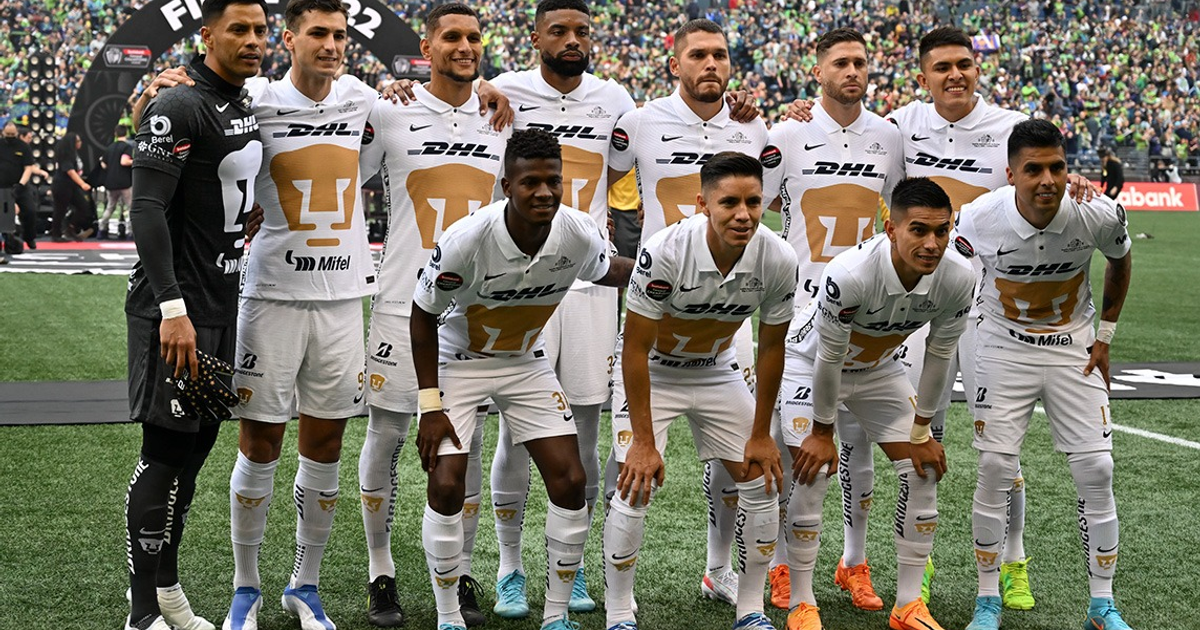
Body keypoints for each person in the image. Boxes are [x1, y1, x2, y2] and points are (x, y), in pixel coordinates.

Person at [410, 128, 633, 630]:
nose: (544, 192)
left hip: (524, 361)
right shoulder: (467, 239)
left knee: (571, 479)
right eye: (531, 182)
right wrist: (430, 405)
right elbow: (422, 315)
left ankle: (556, 616)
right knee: (446, 483)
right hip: (459, 360)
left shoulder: (577, 232)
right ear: (507, 185)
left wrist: (664, 265)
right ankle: (449, 617)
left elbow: (608, 271)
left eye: (554, 181)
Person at [214, 2, 380, 630]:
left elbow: (442, 100)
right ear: (289, 39)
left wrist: (492, 91)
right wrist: (160, 85)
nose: (332, 45)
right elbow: (195, 109)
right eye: (318, 33)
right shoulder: (254, 98)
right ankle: (246, 588)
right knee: (260, 442)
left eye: (340, 35)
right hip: (270, 296)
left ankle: (304, 585)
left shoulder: (364, 98)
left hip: (342, 299)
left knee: (326, 444)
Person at [356, 3, 512, 626]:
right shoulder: (388, 109)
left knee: (467, 444)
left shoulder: (501, 117)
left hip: (472, 311)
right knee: (388, 435)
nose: (465, 46)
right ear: (426, 47)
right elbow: (342, 175)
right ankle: (381, 571)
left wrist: (490, 90)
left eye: (474, 37)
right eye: (451, 37)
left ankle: (462, 568)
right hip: (401, 303)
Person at [607, 18, 769, 606]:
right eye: (698, 55)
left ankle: (719, 568)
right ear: (674, 64)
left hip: (727, 314)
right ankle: (614, 586)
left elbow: (767, 200)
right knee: (628, 456)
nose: (711, 65)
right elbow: (602, 182)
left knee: (734, 458)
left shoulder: (754, 127)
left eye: (720, 55)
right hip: (657, 303)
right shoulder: (638, 122)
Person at [484, 0, 636, 615]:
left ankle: (568, 567)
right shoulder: (504, 91)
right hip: (522, 277)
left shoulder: (615, 99)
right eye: (559, 31)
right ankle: (510, 567)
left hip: (591, 282)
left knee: (585, 431)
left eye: (581, 32)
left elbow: (633, 164)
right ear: (535, 36)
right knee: (516, 430)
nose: (572, 40)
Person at [604, 151, 796, 630]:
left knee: (762, 478)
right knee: (634, 483)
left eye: (753, 202)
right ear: (702, 204)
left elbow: (772, 348)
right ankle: (619, 611)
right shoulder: (665, 251)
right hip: (654, 370)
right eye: (729, 202)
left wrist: (761, 433)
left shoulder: (778, 256)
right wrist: (643, 442)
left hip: (716, 370)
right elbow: (635, 348)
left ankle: (750, 609)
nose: (743, 214)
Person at [121, 1, 268, 630]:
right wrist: (172, 308)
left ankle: (168, 592)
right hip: (176, 309)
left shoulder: (241, 101)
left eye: (260, 30)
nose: (253, 40)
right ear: (207, 35)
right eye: (239, 29)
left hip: (221, 300)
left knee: (195, 452)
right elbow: (146, 208)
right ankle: (141, 614)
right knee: (164, 453)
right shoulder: (179, 103)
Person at [955, 119, 1133, 630]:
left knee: (1097, 469)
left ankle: (1102, 605)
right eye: (1033, 170)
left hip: (1072, 347)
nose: (1048, 180)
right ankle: (987, 599)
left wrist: (1106, 336)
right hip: (1001, 346)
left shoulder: (1096, 211)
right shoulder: (979, 217)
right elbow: (950, 270)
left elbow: (1121, 258)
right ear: (1010, 174)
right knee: (995, 466)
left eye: (1057, 167)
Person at [782, 177, 974, 630]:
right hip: (809, 365)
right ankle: (802, 603)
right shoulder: (850, 273)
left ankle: (908, 605)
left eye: (942, 231)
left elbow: (940, 355)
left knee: (923, 469)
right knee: (813, 471)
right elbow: (828, 357)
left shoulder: (959, 276)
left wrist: (922, 432)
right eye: (918, 230)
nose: (932, 244)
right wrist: (822, 432)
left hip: (878, 368)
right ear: (891, 229)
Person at [758, 26, 906, 614]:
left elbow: (902, 211)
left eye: (861, 63)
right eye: (841, 63)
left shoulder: (888, 136)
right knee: (794, 452)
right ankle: (781, 568)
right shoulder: (787, 133)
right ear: (817, 71)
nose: (853, 72)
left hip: (868, 313)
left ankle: (853, 563)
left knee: (859, 446)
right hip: (800, 315)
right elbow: (757, 203)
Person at [0, 121, 35, 259]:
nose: (10, 137)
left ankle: (29, 237)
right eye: (7, 134)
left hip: (20, 186)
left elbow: (28, 168)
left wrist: (20, 185)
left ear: (17, 134)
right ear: (3, 133)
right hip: (2, 187)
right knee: (3, 216)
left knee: (30, 211)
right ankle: (6, 239)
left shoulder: (23, 147)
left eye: (12, 134)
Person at [50, 132, 94, 241]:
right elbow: (70, 171)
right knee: (60, 210)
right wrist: (82, 184)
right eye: (78, 141)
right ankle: (56, 234)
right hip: (62, 185)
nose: (80, 143)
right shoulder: (66, 154)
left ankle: (71, 227)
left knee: (84, 206)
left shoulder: (74, 154)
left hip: (71, 185)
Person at [99, 125, 134, 239]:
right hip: (124, 183)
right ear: (126, 133)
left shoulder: (110, 148)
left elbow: (103, 164)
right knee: (130, 208)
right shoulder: (127, 147)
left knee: (110, 207)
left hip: (110, 182)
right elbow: (124, 161)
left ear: (115, 134)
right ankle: (130, 233)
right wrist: (135, 161)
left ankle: (102, 229)